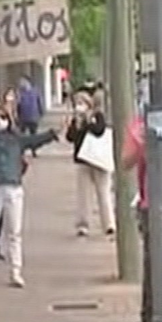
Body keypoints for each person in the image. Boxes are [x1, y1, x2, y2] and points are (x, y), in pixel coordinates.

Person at [0, 103, 57, 288]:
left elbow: (34, 140)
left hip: (13, 189)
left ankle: (16, 271)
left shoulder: (15, 139)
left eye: (3, 117)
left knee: (14, 233)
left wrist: (52, 134)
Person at [119, 113, 153, 322]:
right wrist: (145, 145)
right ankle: (150, 319)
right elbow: (126, 162)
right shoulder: (140, 125)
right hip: (152, 203)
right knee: (153, 266)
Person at [65, 90, 115, 237]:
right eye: (76, 103)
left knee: (103, 192)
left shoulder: (97, 116)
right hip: (83, 160)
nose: (78, 106)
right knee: (83, 194)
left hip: (99, 160)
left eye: (81, 103)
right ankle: (83, 224)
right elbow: (70, 138)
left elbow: (99, 130)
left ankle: (109, 224)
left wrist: (87, 122)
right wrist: (75, 125)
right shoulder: (76, 120)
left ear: (88, 104)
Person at [16, 77, 45, 153]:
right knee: (22, 135)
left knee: (33, 135)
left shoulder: (35, 91)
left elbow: (39, 102)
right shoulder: (20, 93)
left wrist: (41, 112)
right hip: (23, 117)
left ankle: (34, 150)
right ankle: (22, 151)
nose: (21, 83)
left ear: (27, 82)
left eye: (22, 81)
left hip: (33, 116)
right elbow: (18, 105)